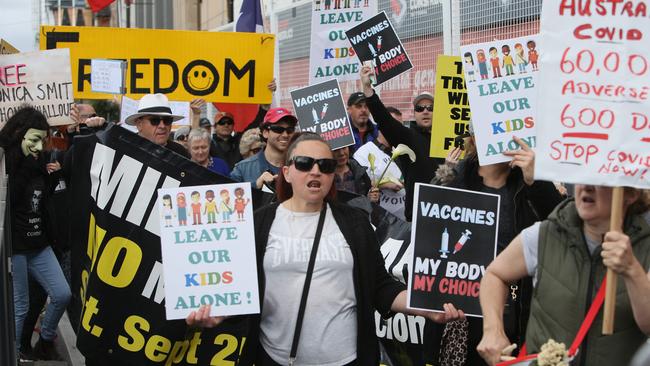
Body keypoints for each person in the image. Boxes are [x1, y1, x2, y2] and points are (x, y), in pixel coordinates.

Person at [187, 132, 465, 365]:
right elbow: (241, 290)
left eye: (325, 165)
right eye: (305, 163)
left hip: (347, 360)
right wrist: (217, 313)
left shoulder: (355, 222)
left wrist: (426, 307)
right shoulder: (259, 223)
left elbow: (381, 287)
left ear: (333, 175)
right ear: (286, 171)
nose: (316, 170)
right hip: (274, 359)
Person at [429, 132, 563, 365]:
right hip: (462, 309)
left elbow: (561, 229)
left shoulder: (528, 183)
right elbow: (429, 237)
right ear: (475, 135)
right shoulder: (453, 179)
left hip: (516, 308)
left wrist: (537, 181)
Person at [478, 186, 650, 366]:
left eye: (599, 181)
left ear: (630, 194)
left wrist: (632, 270)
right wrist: (493, 329)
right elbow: (495, 275)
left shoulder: (646, 248)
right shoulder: (544, 234)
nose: (587, 186)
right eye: (582, 176)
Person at [0, 107, 71, 361]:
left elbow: (43, 200)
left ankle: (45, 340)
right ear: (18, 134)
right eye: (34, 140)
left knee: (63, 293)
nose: (39, 146)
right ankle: (14, 353)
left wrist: (53, 178)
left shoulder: (40, 161)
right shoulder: (4, 164)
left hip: (40, 245)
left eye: (42, 140)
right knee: (20, 307)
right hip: (15, 249)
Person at [360, 65, 443, 221]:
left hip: (448, 213)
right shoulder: (408, 137)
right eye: (420, 108)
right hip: (419, 216)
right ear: (414, 113)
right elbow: (383, 119)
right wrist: (367, 88)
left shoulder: (450, 139)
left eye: (430, 108)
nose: (425, 111)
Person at [230, 107, 297, 189]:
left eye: (290, 130)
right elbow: (229, 198)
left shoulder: (303, 166)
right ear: (265, 133)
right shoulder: (242, 169)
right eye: (278, 129)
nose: (285, 135)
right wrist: (256, 186)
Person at [124, 93, 190, 158]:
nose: (162, 126)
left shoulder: (180, 153)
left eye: (167, 120)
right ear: (139, 124)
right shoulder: (124, 149)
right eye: (155, 121)